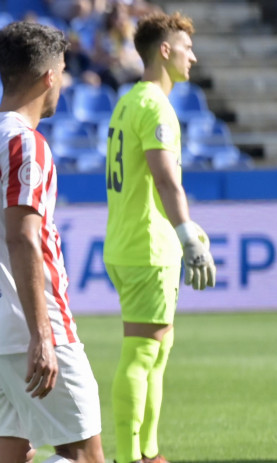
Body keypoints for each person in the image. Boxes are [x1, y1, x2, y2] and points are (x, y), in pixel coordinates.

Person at [0, 21, 104, 463]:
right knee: (85, 456)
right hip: (33, 331)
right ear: (49, 76)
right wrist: (42, 335)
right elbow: (23, 238)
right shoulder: (25, 143)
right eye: (63, 70)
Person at [103, 12, 216, 463]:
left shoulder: (129, 100)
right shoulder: (154, 104)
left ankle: (148, 452)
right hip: (146, 247)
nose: (193, 56)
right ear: (165, 51)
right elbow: (166, 179)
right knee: (143, 350)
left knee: (158, 348)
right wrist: (187, 233)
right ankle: (130, 457)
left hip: (136, 242)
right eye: (186, 48)